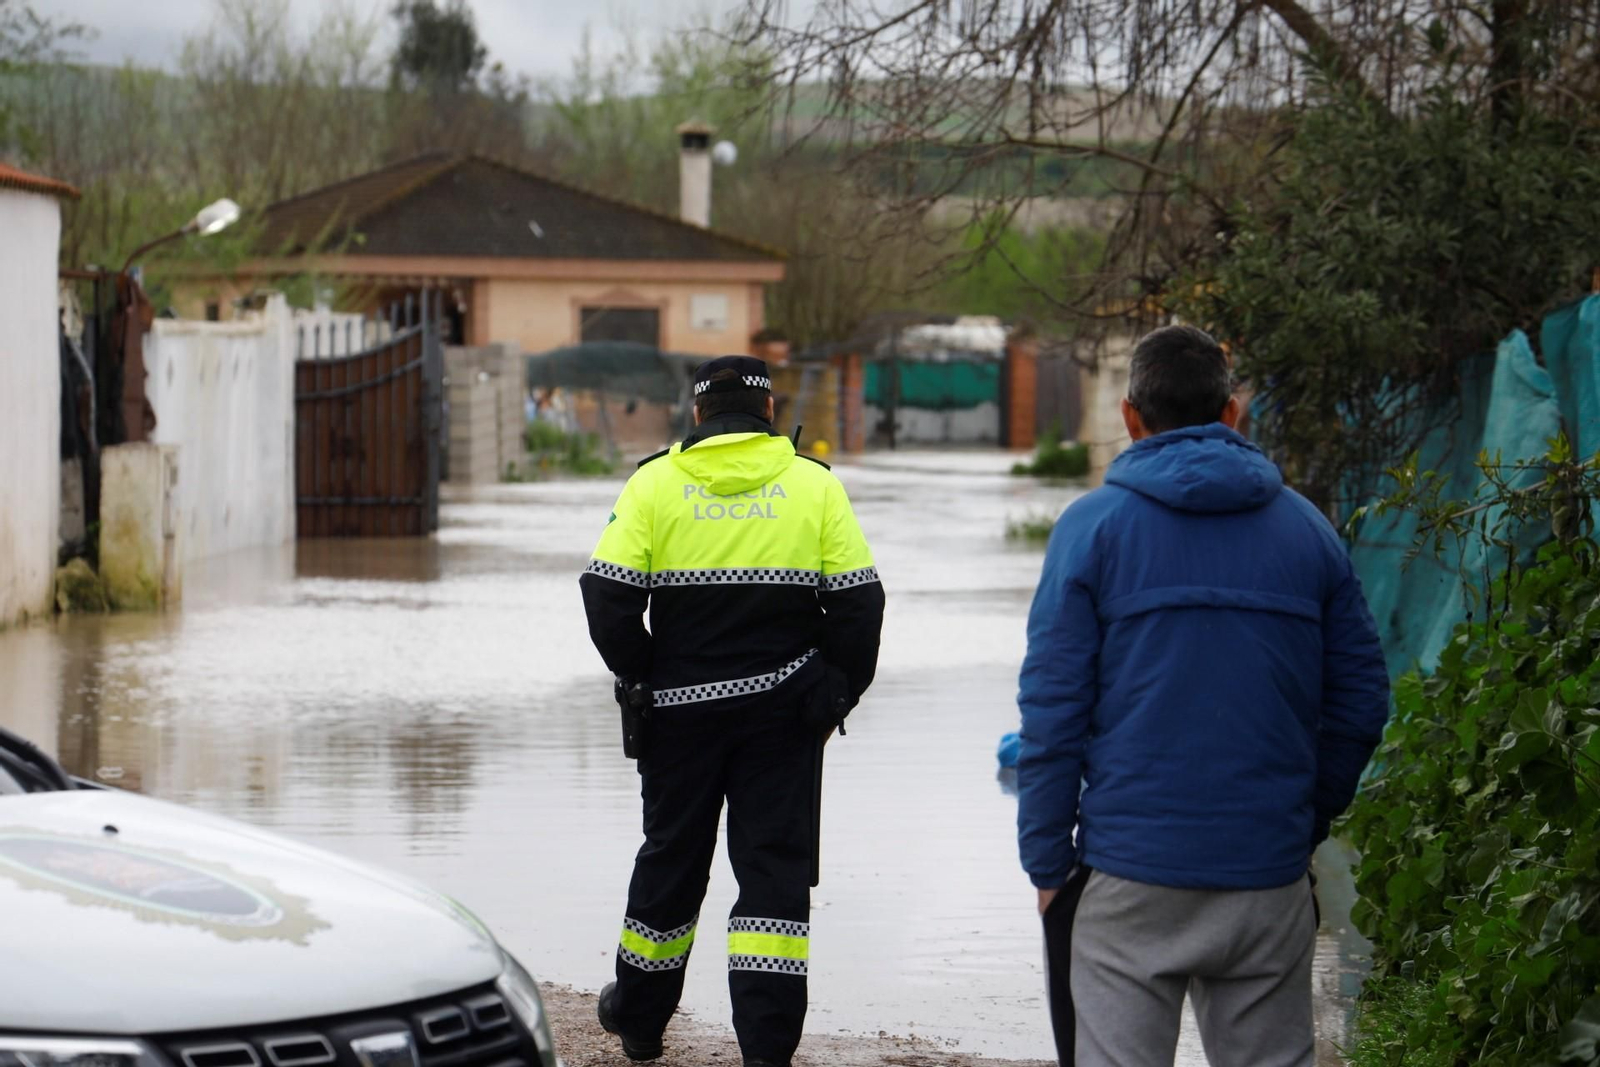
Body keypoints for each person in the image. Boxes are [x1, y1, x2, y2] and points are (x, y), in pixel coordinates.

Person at [1016, 325, 1389, 1067]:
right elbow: (1361, 701)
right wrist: (1298, 821)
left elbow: (1052, 710)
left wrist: (1048, 864)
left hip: (1128, 875)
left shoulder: (1091, 529)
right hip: (1266, 875)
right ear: (1233, 413)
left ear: (1130, 416)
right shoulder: (1307, 531)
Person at [580, 355, 886, 1067]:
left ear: (696, 414)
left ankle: (640, 1018)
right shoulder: (813, 486)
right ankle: (766, 1049)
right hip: (783, 719)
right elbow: (859, 604)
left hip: (678, 719)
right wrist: (834, 692)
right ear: (771, 414)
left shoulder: (654, 482)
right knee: (773, 876)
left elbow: (606, 594)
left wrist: (644, 674)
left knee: (672, 861)